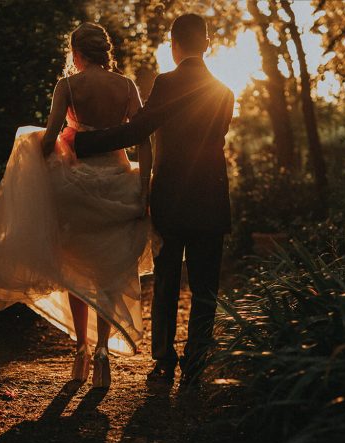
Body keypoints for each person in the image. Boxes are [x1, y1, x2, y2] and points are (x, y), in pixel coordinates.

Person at [0, 23, 155, 388]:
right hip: (120, 182)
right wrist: (143, 189)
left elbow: (48, 138)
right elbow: (143, 141)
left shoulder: (68, 86)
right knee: (109, 273)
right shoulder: (127, 86)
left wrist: (29, 150)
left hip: (74, 186)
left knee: (75, 272)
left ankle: (81, 350)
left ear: (76, 51)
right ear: (104, 51)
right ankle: (103, 353)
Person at [74, 13, 234, 387]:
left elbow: (136, 131)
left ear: (173, 46)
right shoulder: (224, 92)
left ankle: (163, 364)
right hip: (210, 199)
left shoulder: (167, 83)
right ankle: (196, 364)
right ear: (207, 44)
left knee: (165, 282)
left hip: (170, 200)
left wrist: (83, 142)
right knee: (205, 287)